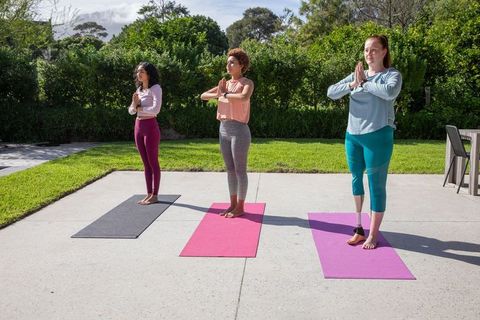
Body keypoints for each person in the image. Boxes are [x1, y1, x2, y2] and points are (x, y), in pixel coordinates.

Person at [327, 35, 402, 249]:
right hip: (353, 135)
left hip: (378, 136)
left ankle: (373, 234)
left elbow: (389, 93)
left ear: (384, 51)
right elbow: (331, 92)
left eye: (374, 49)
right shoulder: (356, 75)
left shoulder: (391, 75)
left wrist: (366, 83)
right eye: (366, 50)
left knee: (376, 185)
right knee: (355, 179)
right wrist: (353, 83)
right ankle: (359, 228)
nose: (369, 53)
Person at [200, 48, 254, 218]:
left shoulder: (246, 83)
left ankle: (240, 206)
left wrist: (224, 93)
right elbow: (203, 96)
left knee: (240, 170)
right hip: (223, 129)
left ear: (241, 65)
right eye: (228, 62)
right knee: (230, 170)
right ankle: (232, 204)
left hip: (239, 130)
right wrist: (219, 92)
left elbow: (244, 97)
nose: (228, 65)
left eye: (232, 62)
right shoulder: (224, 84)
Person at [128, 62, 162, 205]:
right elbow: (130, 111)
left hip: (150, 126)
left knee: (153, 162)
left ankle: (155, 195)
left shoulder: (156, 88)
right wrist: (134, 105)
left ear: (149, 73)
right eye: (137, 71)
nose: (139, 74)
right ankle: (148, 194)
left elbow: (156, 110)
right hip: (138, 126)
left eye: (141, 71)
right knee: (145, 163)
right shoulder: (139, 90)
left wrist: (139, 107)